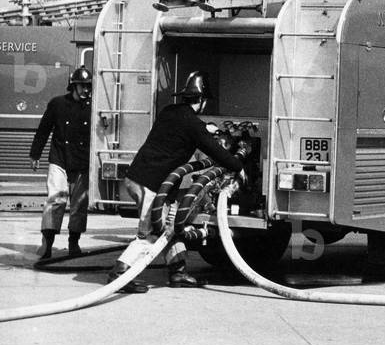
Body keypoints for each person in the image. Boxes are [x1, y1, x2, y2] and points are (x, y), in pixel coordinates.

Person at [107, 71, 247, 293]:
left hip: (137, 178)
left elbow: (185, 130)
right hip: (151, 183)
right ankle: (120, 274)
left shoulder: (169, 112)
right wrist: (238, 166)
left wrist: (205, 129)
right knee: (152, 232)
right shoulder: (193, 125)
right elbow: (215, 151)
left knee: (169, 227)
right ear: (201, 100)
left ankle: (178, 271)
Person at [29, 66, 93, 259]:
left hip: (82, 161)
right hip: (59, 158)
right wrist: (35, 155)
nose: (86, 90)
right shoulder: (57, 104)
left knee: (79, 204)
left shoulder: (93, 107)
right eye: (82, 86)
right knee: (55, 200)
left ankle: (74, 242)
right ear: (73, 86)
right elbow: (43, 130)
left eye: (88, 87)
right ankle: (47, 242)